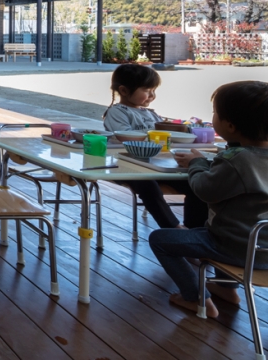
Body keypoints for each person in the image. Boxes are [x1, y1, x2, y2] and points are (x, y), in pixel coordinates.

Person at [149, 81, 268, 318]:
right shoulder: (243, 157)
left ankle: (196, 298)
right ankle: (227, 289)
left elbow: (203, 189)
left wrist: (197, 162)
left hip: (235, 248)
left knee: (160, 239)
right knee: (222, 229)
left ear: (230, 125)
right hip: (264, 248)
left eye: (215, 113)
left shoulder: (238, 161)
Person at [102, 64, 207, 230]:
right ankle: (173, 228)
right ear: (123, 90)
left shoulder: (150, 113)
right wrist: (156, 133)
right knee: (147, 184)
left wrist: (181, 129)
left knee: (194, 183)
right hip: (126, 166)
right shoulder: (117, 112)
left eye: (154, 90)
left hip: (154, 165)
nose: (152, 95)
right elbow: (125, 136)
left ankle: (195, 230)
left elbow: (164, 134)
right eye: (147, 90)